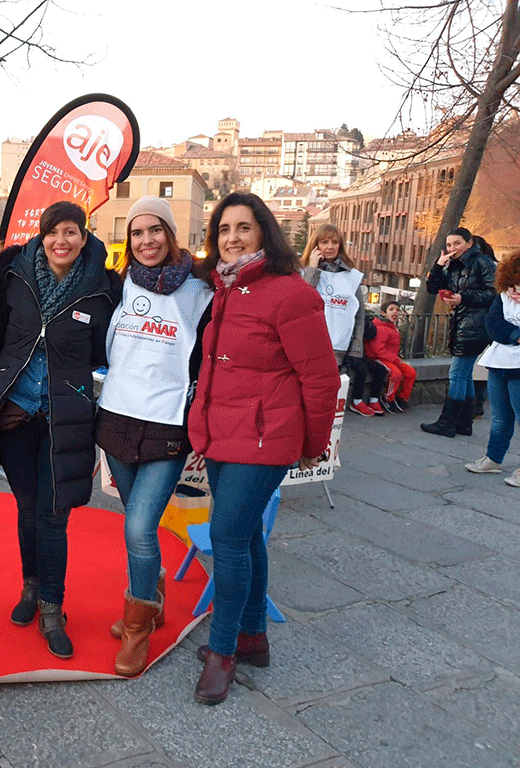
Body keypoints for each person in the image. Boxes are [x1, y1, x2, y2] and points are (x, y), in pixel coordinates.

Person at [187, 193, 339, 705]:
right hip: (220, 435)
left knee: (226, 537)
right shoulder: (224, 289)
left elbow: (321, 378)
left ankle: (222, 650)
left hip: (265, 438)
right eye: (223, 229)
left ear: (264, 233)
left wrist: (312, 445)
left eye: (243, 228)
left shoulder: (290, 294)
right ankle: (254, 637)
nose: (232, 237)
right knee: (247, 534)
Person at [0, 201, 117, 660]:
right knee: (28, 507)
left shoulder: (100, 288)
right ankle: (30, 587)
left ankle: (53, 608)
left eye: (71, 232)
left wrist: (71, 384)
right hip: (17, 415)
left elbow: (101, 352)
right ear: (42, 234)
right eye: (54, 232)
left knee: (55, 515)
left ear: (83, 236)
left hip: (64, 419)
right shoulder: (14, 274)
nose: (62, 241)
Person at [95, 197, 213, 677]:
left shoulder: (201, 288)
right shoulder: (116, 284)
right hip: (117, 415)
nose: (146, 241)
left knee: (139, 528)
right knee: (134, 520)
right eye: (138, 232)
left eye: (155, 230)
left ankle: (137, 627)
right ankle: (154, 596)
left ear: (170, 232)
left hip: (167, 422)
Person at [301, 224, 386, 417]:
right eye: (324, 242)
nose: (330, 246)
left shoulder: (351, 276)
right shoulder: (303, 271)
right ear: (315, 245)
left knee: (328, 397)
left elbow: (359, 313)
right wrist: (312, 269)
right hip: (309, 345)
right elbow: (302, 301)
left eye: (334, 242)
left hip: (338, 346)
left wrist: (356, 347)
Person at [421, 227, 497, 437]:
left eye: (457, 244)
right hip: (462, 322)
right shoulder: (453, 265)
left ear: (469, 243)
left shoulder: (482, 263)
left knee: (457, 374)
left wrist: (464, 298)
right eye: (449, 245)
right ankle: (464, 423)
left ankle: (447, 423)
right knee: (464, 375)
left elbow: (493, 293)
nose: (452, 248)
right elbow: (432, 287)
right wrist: (438, 265)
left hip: (476, 325)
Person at [464, 249, 520, 487]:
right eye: (514, 283)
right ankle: (493, 458)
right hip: (499, 362)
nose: (516, 289)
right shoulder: (503, 298)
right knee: (500, 417)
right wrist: (516, 334)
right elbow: (493, 324)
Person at [365, 300, 416, 413]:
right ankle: (388, 398)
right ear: (383, 313)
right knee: (396, 373)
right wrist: (396, 360)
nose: (395, 312)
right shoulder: (381, 328)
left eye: (397, 310)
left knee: (410, 372)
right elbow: (378, 350)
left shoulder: (392, 327)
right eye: (391, 309)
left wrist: (396, 359)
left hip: (391, 358)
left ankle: (402, 398)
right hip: (380, 358)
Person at [471, 235, 497, 418]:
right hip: (485, 325)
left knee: (477, 368)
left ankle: (476, 405)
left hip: (483, 323)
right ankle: (476, 405)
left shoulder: (486, 270)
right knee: (479, 369)